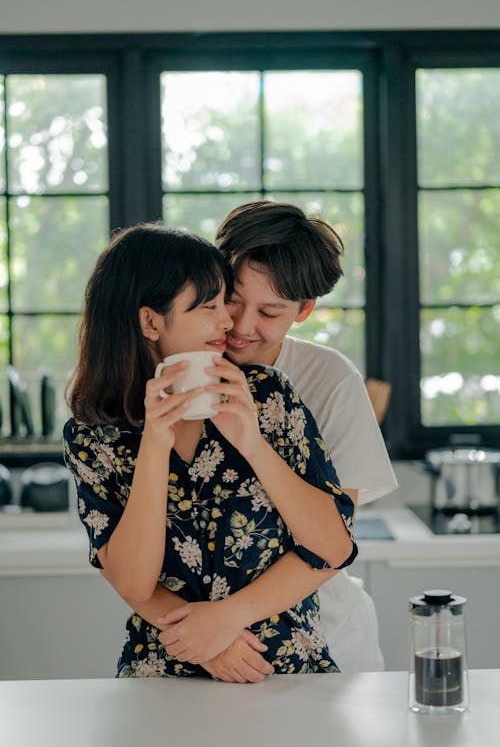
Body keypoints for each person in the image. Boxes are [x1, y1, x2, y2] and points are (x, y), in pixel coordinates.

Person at [63, 222, 358, 679]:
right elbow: (134, 582)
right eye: (211, 306)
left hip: (284, 674)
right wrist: (155, 447)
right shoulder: (94, 436)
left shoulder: (267, 394)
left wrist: (251, 442)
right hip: (164, 676)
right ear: (150, 321)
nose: (230, 322)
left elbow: (334, 546)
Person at [214, 200, 398, 672]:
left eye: (270, 312)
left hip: (328, 639)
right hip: (199, 647)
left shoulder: (329, 379)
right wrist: (210, 633)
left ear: (304, 309)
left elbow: (332, 543)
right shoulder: (175, 368)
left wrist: (226, 619)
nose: (241, 325)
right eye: (232, 299)